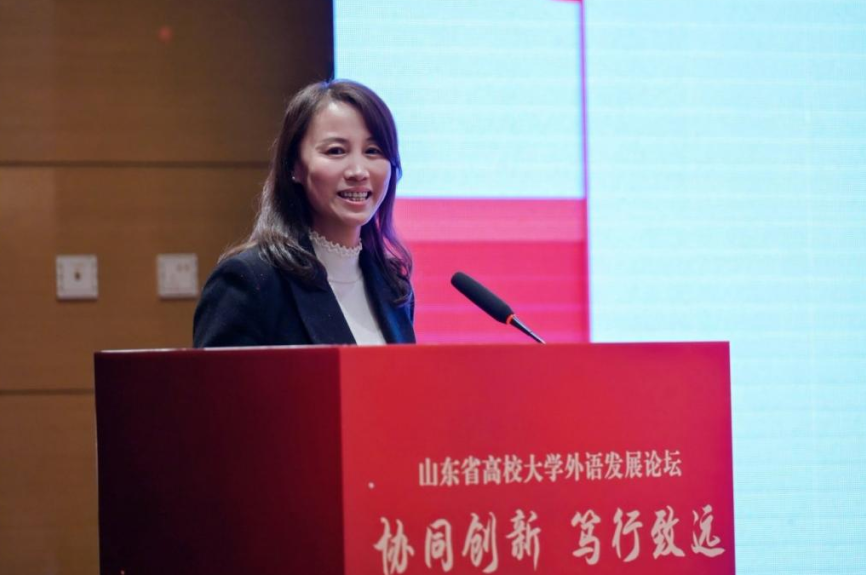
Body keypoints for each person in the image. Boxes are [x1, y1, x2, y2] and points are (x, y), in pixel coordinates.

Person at [193, 80, 415, 347]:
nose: (358, 171)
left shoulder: (393, 286)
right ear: (294, 166)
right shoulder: (250, 282)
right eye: (336, 151)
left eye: (373, 151)